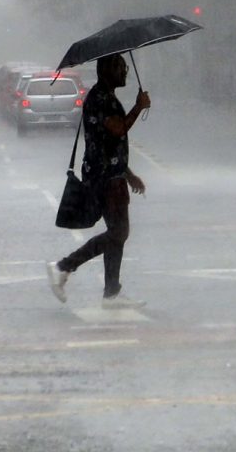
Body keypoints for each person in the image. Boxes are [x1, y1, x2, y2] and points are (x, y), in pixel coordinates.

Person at [47, 53, 151, 309]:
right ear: (106, 70)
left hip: (110, 174)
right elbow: (118, 129)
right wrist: (139, 106)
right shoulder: (100, 98)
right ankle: (63, 267)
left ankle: (112, 293)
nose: (125, 72)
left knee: (118, 233)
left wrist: (128, 174)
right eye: (120, 67)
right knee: (119, 232)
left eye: (125, 67)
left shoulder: (105, 96)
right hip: (104, 178)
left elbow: (110, 143)